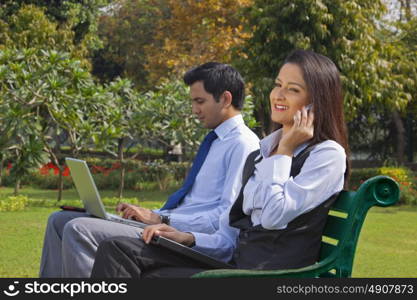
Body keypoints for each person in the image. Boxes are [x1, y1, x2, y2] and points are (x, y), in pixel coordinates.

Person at [90, 49, 350, 278]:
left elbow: (273, 217)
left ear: (317, 102)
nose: (278, 95)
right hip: (238, 264)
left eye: (293, 89)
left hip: (264, 275)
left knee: (139, 266)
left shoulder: (326, 156)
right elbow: (229, 236)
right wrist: (188, 238)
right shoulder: (263, 151)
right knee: (120, 249)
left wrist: (285, 151)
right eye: (278, 84)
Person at [39, 62, 260, 277]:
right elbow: (194, 206)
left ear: (225, 99)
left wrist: (163, 221)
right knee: (58, 220)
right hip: (167, 225)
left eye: (200, 101)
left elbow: (226, 217)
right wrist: (153, 215)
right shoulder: (216, 141)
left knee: (79, 229)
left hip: (186, 239)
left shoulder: (242, 144)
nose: (194, 110)